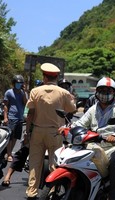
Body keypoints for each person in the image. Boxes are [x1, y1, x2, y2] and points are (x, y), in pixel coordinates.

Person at [60, 77, 115, 200]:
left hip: (114, 146)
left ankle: (114, 195)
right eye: (102, 91)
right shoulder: (93, 109)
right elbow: (81, 123)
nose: (105, 94)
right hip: (94, 144)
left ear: (114, 93)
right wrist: (67, 128)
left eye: (108, 91)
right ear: (97, 92)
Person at [25, 63, 76, 199]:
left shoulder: (35, 91)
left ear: (44, 77)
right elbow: (72, 109)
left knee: (35, 163)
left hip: (37, 131)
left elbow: (30, 113)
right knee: (55, 163)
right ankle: (52, 190)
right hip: (55, 132)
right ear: (56, 77)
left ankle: (32, 192)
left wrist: (27, 133)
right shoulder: (64, 93)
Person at [3, 75, 27, 162]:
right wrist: (5, 117)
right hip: (11, 117)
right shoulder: (9, 92)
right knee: (10, 136)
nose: (19, 84)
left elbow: (25, 103)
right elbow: (5, 105)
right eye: (17, 83)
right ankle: (9, 154)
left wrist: (24, 92)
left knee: (16, 137)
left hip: (20, 118)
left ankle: (9, 152)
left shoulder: (22, 93)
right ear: (14, 83)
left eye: (20, 83)